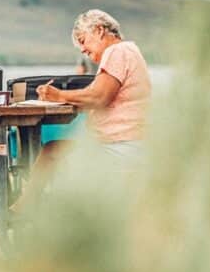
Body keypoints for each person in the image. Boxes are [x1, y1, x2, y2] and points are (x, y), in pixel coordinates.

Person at [36, 9, 151, 162]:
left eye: (82, 41)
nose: (82, 49)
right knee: (54, 150)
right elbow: (98, 94)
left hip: (121, 146)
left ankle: (24, 187)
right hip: (131, 143)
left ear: (99, 30)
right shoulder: (128, 50)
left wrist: (58, 95)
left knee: (50, 152)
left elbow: (99, 97)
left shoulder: (116, 51)